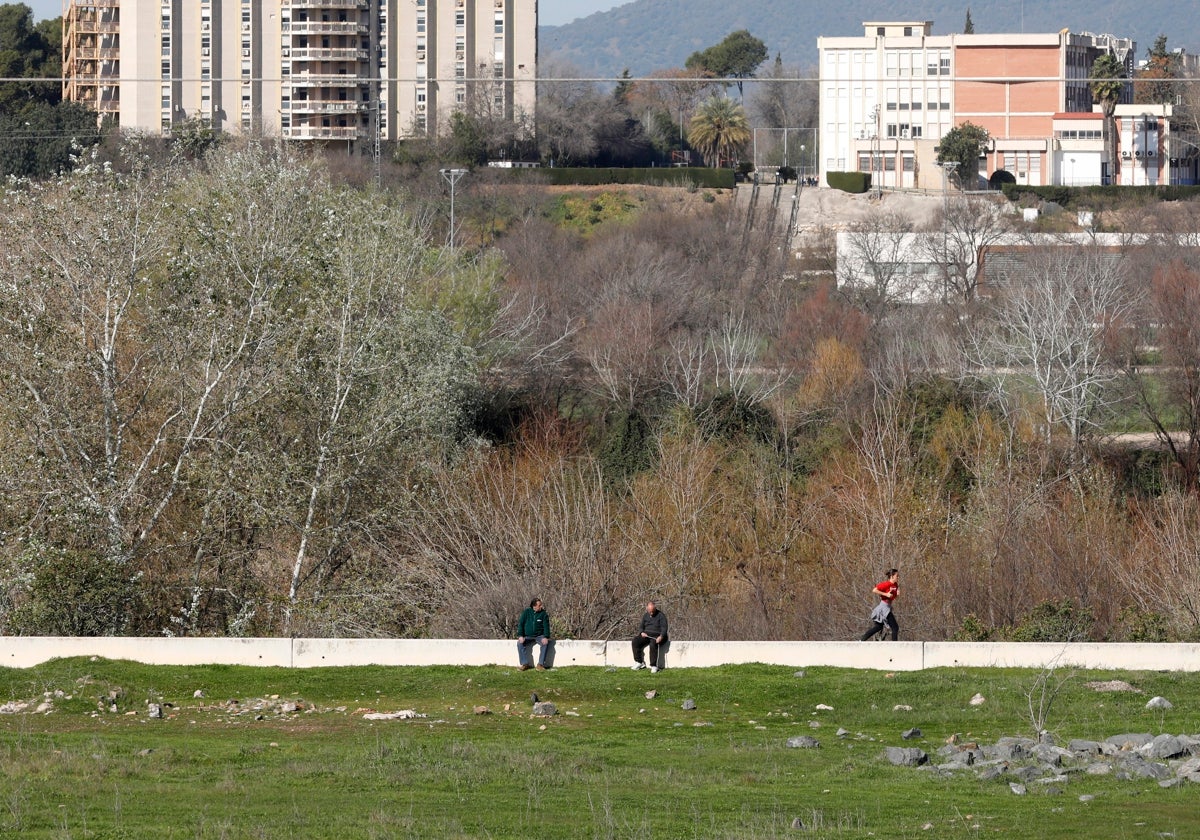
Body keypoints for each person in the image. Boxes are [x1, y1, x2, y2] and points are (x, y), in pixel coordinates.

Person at [859, 568, 900, 641]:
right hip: (883, 607)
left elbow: (892, 597)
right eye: (897, 576)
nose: (898, 577)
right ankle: (895, 646)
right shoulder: (886, 584)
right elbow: (874, 590)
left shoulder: (896, 585)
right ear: (892, 576)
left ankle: (862, 640)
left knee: (878, 627)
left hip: (888, 606)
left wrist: (897, 595)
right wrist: (886, 594)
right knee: (895, 627)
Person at [631, 600, 668, 672]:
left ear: (655, 609)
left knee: (653, 644)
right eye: (649, 611)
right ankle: (639, 662)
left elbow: (664, 628)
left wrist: (661, 636)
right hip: (647, 635)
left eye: (652, 611)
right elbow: (641, 626)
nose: (651, 613)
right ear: (647, 609)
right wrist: (641, 632)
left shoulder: (661, 616)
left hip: (657, 636)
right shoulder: (645, 615)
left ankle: (654, 666)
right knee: (635, 641)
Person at [516, 598, 551, 670]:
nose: (541, 606)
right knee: (520, 643)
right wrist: (520, 636)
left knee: (545, 643)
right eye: (539, 605)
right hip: (527, 636)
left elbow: (546, 626)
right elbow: (521, 624)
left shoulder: (543, 614)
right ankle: (524, 664)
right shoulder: (526, 612)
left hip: (539, 636)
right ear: (534, 606)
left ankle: (540, 664)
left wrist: (546, 637)